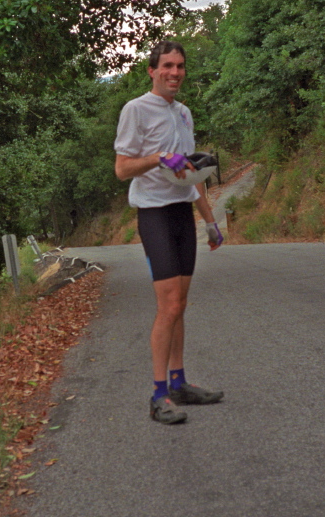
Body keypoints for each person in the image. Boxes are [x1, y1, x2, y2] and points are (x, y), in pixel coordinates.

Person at [113, 41, 225, 425]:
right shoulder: (136, 110)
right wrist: (158, 158)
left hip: (181, 215)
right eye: (167, 66)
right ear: (152, 70)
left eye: (180, 66)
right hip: (154, 214)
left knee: (180, 305)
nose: (175, 72)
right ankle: (158, 395)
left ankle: (179, 384)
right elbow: (122, 169)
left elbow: (192, 175)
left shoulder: (184, 113)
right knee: (169, 306)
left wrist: (210, 221)